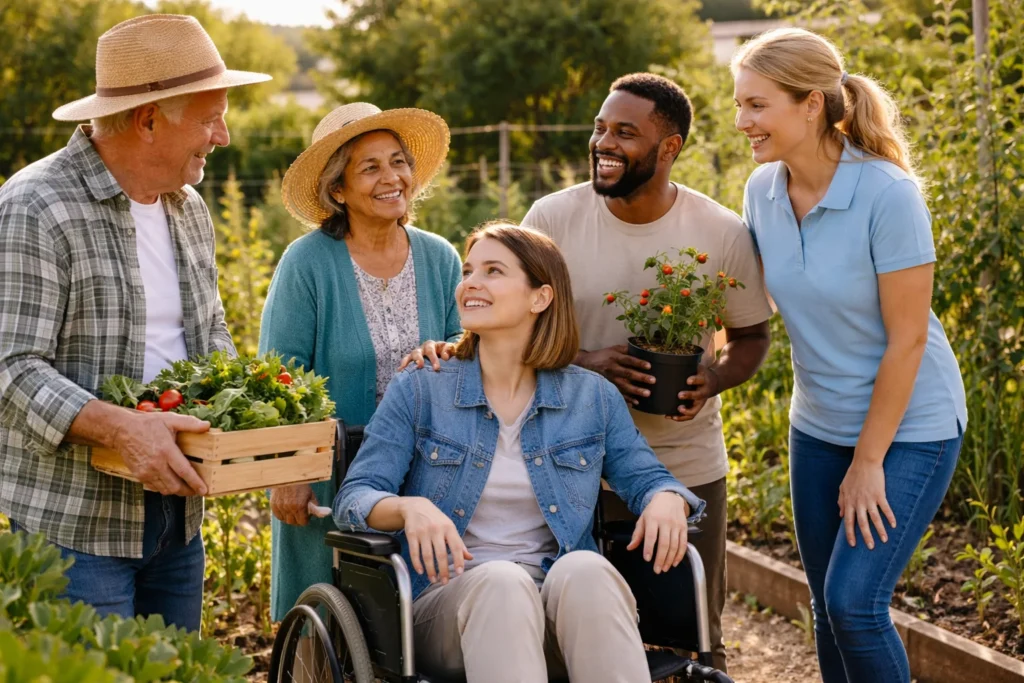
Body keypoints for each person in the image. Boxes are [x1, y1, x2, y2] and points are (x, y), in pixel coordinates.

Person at [336, 222, 705, 682]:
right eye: (469, 270)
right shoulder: (421, 389)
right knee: (501, 582)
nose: (471, 282)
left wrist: (667, 498)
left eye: (493, 271)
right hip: (448, 609)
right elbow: (355, 497)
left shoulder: (591, 398)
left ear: (540, 298)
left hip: (556, 608)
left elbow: (648, 478)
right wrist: (409, 508)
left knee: (587, 568)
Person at [0, 15, 270, 631]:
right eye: (209, 118)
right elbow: (10, 368)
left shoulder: (187, 205)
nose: (222, 136)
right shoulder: (37, 206)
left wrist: (248, 409)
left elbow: (210, 334)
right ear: (149, 118)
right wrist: (123, 430)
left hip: (177, 518)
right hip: (76, 525)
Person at [732, 28, 967, 683]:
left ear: (811, 104)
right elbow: (758, 303)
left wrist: (869, 461)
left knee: (854, 604)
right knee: (826, 610)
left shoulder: (886, 194)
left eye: (756, 105)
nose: (741, 122)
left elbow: (909, 337)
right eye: (739, 104)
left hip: (910, 428)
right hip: (819, 424)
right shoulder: (761, 192)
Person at [515, 73, 770, 673]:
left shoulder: (721, 232)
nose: (604, 142)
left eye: (625, 133)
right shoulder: (551, 218)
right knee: (569, 640)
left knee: (691, 640)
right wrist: (586, 361)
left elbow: (753, 338)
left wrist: (714, 377)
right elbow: (512, 332)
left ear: (669, 147)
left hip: (682, 470)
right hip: (565, 464)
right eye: (601, 127)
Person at [260, 102, 463, 621]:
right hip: (329, 473)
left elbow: (466, 348)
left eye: (399, 161)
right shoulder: (306, 264)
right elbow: (278, 376)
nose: (392, 177)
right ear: (338, 190)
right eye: (370, 167)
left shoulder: (439, 257)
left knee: (416, 622)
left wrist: (451, 350)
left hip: (424, 468)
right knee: (327, 616)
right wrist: (289, 471)